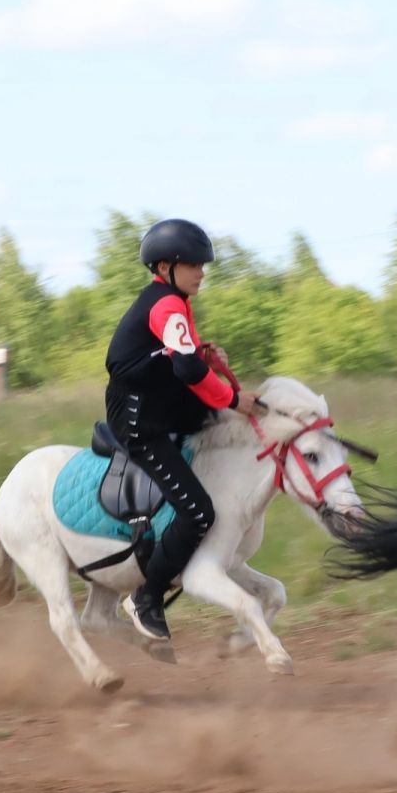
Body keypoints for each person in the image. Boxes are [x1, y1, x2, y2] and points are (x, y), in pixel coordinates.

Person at [104, 218, 262, 643]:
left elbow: (180, 358)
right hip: (140, 420)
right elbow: (186, 368)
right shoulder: (166, 304)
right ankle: (146, 597)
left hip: (161, 404)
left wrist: (205, 356)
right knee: (198, 512)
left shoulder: (175, 301)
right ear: (165, 266)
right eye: (193, 265)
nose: (202, 272)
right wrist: (233, 398)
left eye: (202, 265)